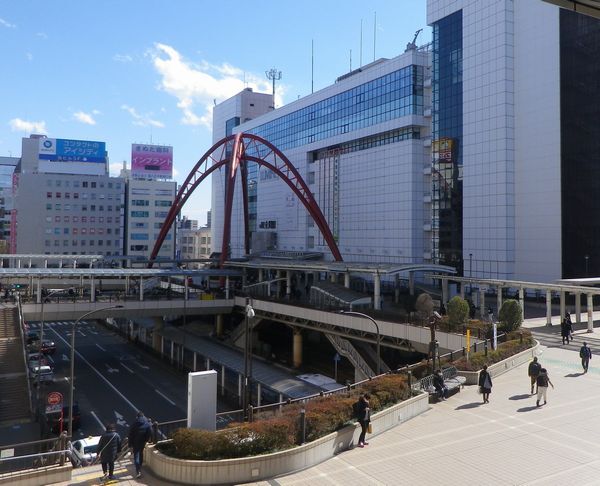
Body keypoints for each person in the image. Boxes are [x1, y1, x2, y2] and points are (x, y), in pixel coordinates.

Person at [128, 411, 152, 479]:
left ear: (137, 416)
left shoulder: (134, 424)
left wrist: (130, 444)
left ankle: (138, 470)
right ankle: (140, 466)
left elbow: (130, 434)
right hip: (142, 441)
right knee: (141, 452)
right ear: (143, 416)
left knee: (136, 455)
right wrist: (146, 439)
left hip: (135, 442)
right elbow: (149, 431)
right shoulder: (146, 423)